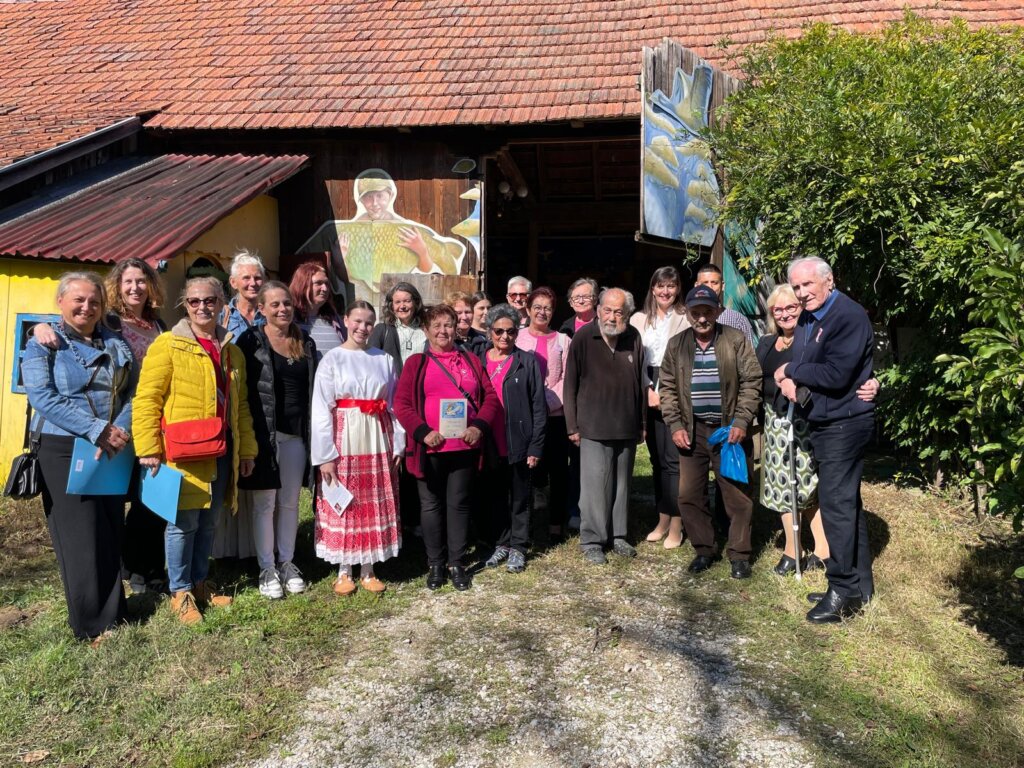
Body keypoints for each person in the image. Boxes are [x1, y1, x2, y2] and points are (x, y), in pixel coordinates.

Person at [32, 257, 168, 594]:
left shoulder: (158, 325)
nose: (136, 287)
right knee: (110, 507)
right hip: (101, 430)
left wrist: (123, 426)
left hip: (140, 420)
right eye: (129, 281)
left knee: (148, 499)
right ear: (117, 288)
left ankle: (146, 569)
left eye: (142, 281)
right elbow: (66, 327)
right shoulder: (109, 323)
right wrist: (40, 326)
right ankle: (128, 571)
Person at [134, 276, 258, 625]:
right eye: (194, 301)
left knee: (209, 522)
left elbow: (241, 405)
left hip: (223, 447)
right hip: (183, 450)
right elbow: (147, 399)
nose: (202, 307)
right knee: (182, 523)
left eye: (209, 300)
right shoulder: (167, 345)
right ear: (185, 305)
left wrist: (246, 449)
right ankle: (180, 592)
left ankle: (200, 582)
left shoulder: (232, 351)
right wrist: (147, 447)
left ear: (222, 304)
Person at [22, 272, 137, 645]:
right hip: (64, 448)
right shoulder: (44, 344)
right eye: (78, 300)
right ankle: (91, 625)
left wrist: (118, 429)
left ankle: (115, 612)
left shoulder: (115, 341)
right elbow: (43, 396)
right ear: (60, 303)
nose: (87, 307)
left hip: (111, 445)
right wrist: (95, 429)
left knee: (108, 529)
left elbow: (133, 393)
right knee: (81, 536)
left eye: (94, 301)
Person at [774, 256, 877, 623]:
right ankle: (859, 587)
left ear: (828, 281)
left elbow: (835, 373)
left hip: (844, 424)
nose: (802, 293)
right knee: (846, 505)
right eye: (796, 287)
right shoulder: (808, 316)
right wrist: (791, 379)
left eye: (807, 285)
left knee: (836, 506)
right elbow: (806, 360)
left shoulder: (847, 315)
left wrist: (790, 371)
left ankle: (843, 590)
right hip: (823, 421)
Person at [394, 304, 501, 591]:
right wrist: (423, 432)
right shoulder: (416, 363)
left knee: (459, 505)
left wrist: (478, 426)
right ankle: (435, 563)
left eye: (448, 325)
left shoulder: (470, 360)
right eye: (437, 325)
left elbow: (490, 398)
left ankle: (456, 562)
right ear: (426, 330)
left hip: (463, 446)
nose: (443, 331)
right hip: (429, 448)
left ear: (456, 328)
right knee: (430, 505)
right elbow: (401, 404)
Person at [659, 285, 762, 579]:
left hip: (730, 431)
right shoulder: (677, 344)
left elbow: (752, 381)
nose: (702, 318)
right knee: (689, 495)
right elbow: (666, 387)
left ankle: (739, 554)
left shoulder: (735, 339)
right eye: (696, 312)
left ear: (717, 312)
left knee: (736, 494)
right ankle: (704, 549)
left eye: (707, 312)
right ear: (688, 313)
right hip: (692, 431)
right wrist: (676, 424)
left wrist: (742, 422)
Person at [312, 301, 404, 596]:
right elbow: (321, 410)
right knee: (346, 500)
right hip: (345, 437)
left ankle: (368, 568)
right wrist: (325, 456)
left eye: (369, 323)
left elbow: (394, 405)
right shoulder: (333, 360)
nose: (363, 328)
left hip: (376, 436)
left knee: (371, 499)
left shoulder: (383, 360)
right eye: (358, 321)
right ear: (346, 320)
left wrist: (398, 441)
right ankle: (343, 571)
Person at [236, 282, 317, 599]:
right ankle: (266, 569)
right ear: (262, 310)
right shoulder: (251, 340)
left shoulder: (304, 341)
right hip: (263, 436)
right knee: (264, 504)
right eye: (275, 305)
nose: (282, 309)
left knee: (289, 503)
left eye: (286, 303)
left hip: (296, 435)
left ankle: (287, 563)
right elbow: (242, 391)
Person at [563, 288, 646, 565]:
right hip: (593, 425)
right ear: (598, 310)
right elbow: (570, 384)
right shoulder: (584, 337)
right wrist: (572, 425)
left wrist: (642, 423)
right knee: (594, 487)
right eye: (607, 310)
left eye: (619, 311)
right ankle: (592, 540)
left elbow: (640, 383)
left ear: (627, 314)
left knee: (622, 485)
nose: (612, 316)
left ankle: (618, 535)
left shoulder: (633, 337)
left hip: (626, 424)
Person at [479, 304, 546, 573]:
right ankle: (501, 543)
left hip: (518, 440)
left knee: (520, 497)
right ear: (489, 332)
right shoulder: (480, 360)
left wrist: (536, 445)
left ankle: (518, 547)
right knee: (495, 496)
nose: (505, 337)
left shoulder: (526, 361)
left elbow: (538, 406)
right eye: (499, 331)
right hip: (489, 440)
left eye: (510, 331)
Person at [630, 267, 691, 549]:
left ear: (678, 289)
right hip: (646, 386)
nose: (666, 291)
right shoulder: (639, 319)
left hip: (674, 389)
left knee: (673, 460)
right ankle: (663, 518)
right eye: (660, 286)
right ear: (652, 288)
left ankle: (677, 523)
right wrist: (646, 389)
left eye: (671, 286)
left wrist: (663, 392)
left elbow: (687, 360)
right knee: (656, 460)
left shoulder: (685, 318)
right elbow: (634, 358)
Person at [515, 287, 572, 540]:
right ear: (528, 310)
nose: (542, 312)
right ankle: (523, 525)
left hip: (555, 414)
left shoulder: (563, 340)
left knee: (558, 471)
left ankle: (556, 523)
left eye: (547, 308)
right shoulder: (516, 338)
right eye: (537, 306)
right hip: (524, 416)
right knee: (526, 471)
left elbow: (568, 378)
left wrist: (545, 402)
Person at [368, 281, 426, 376]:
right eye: (397, 302)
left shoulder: (426, 331)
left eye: (407, 301)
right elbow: (370, 363)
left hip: (418, 388)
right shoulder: (382, 330)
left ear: (416, 303)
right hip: (391, 389)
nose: (402, 306)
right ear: (392, 306)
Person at [289, 260, 346, 355]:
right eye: (318, 283)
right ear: (302, 285)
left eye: (326, 283)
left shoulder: (334, 320)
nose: (325, 288)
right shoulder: (289, 320)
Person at [694, 263, 755, 348]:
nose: (710, 287)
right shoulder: (687, 319)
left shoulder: (738, 321)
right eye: (705, 283)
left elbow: (749, 358)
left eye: (714, 283)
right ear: (696, 286)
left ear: (722, 286)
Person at [221, 249, 267, 339]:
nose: (253, 283)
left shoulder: (271, 314)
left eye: (257, 278)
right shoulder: (223, 316)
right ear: (233, 282)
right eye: (246, 278)